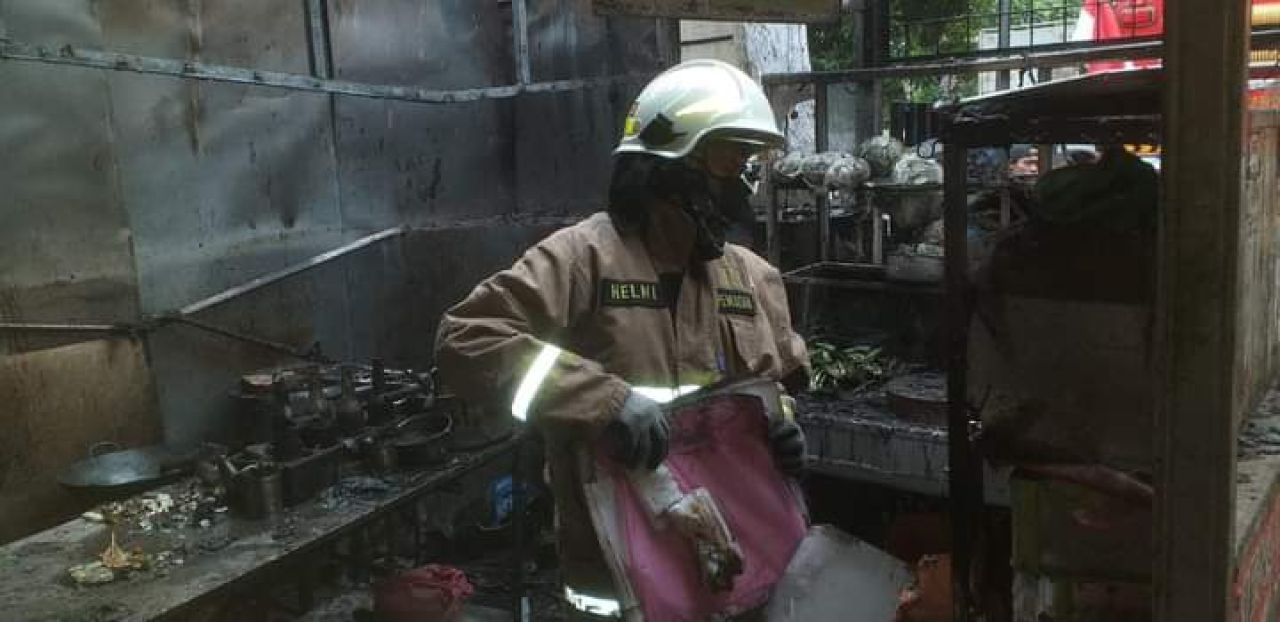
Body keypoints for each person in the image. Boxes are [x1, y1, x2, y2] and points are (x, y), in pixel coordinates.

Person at [434, 59, 809, 618]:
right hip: (618, 575)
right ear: (674, 164)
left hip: (733, 568)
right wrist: (602, 400)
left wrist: (785, 425)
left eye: (747, 162)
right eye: (730, 158)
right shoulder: (583, 258)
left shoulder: (753, 277)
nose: (742, 184)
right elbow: (465, 341)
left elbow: (776, 384)